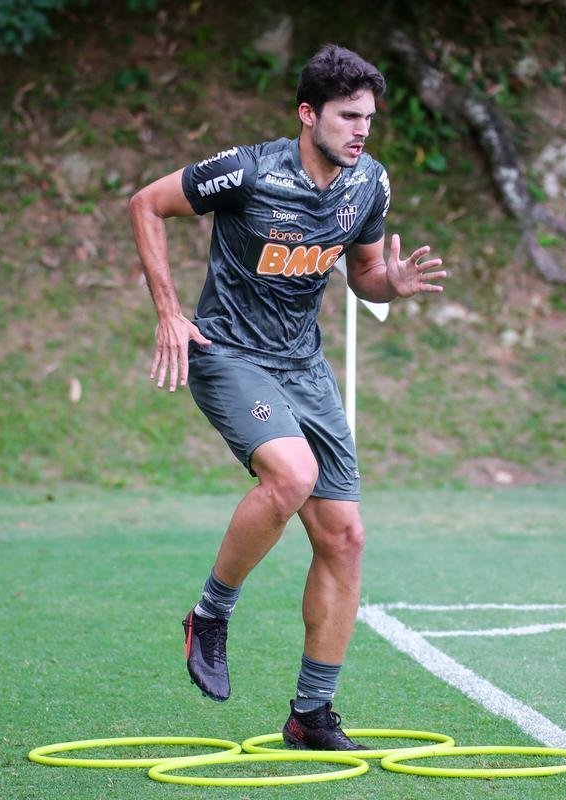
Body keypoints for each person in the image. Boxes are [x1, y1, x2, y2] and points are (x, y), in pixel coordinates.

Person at [129, 44, 445, 750]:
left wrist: (389, 286)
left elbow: (362, 273)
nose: (362, 130)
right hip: (229, 355)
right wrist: (168, 311)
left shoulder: (370, 185)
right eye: (347, 116)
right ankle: (209, 616)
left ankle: (311, 715)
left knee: (344, 536)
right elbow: (146, 204)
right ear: (308, 114)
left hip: (304, 367)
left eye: (369, 117)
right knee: (292, 476)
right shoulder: (246, 171)